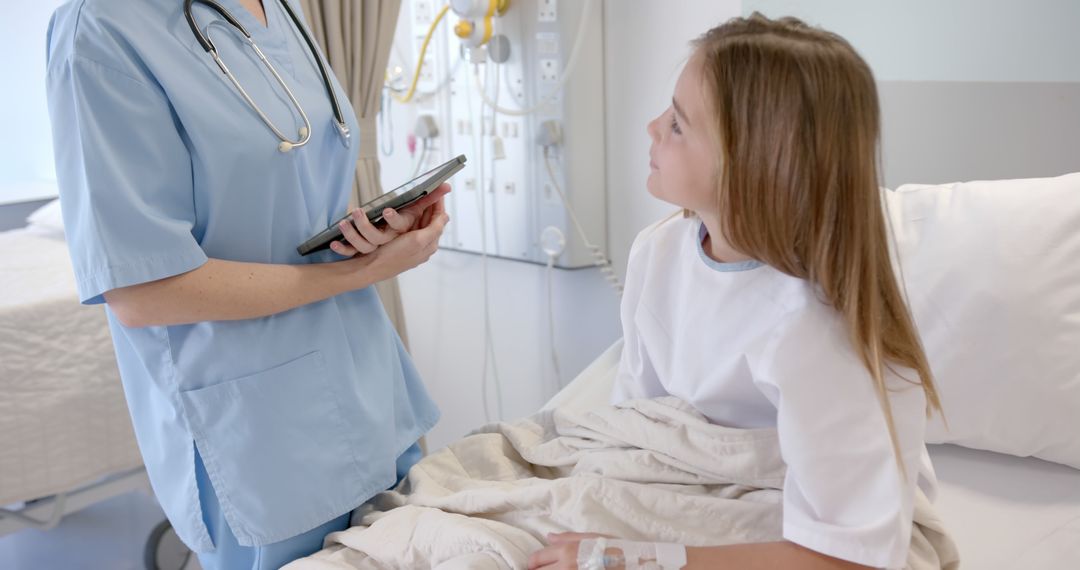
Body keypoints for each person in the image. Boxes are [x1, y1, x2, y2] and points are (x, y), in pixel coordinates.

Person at [529, 13, 944, 570]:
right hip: (687, 480)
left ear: (755, 162)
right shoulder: (659, 251)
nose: (652, 128)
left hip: (814, 527)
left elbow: (853, 555)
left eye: (678, 125)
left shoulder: (821, 332)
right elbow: (644, 430)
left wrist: (633, 557)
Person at [45, 0, 447, 568]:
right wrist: (361, 271)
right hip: (259, 430)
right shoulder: (103, 28)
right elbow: (142, 291)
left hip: (367, 383)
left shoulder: (277, 9)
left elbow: (285, 193)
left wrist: (370, 234)